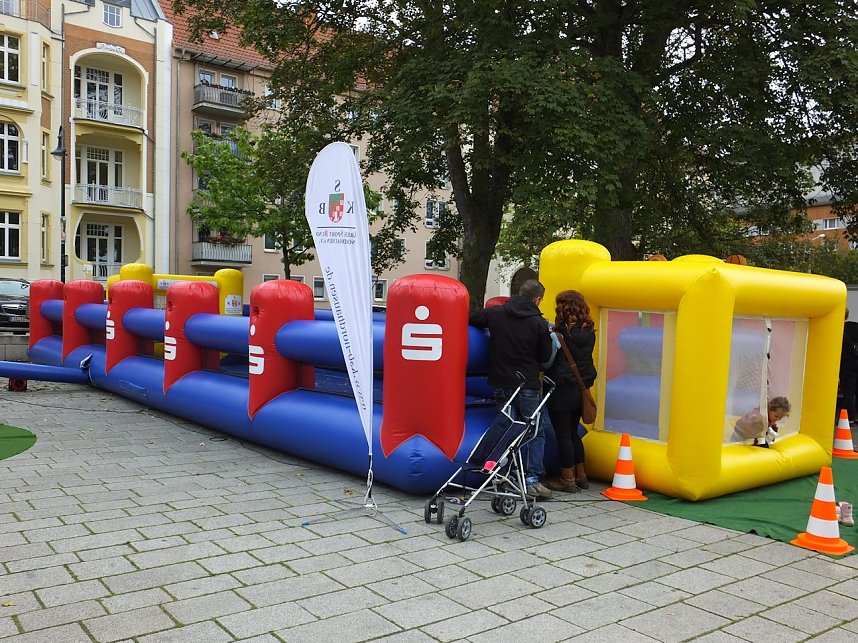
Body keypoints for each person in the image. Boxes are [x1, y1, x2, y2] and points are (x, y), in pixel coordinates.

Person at [470, 279, 554, 499]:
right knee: (535, 431)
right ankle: (532, 480)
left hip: (501, 383)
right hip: (527, 386)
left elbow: (473, 318)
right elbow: (545, 357)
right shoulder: (538, 323)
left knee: (505, 429)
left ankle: (501, 474)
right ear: (537, 299)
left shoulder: (496, 313)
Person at [543, 290, 597, 493]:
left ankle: (567, 479)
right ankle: (581, 476)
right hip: (581, 388)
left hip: (562, 388)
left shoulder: (558, 334)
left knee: (563, 435)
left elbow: (547, 360)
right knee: (573, 432)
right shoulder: (588, 331)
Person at [839, 308, 858, 425]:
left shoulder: (838, 329)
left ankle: (850, 417)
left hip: (847, 364)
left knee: (848, 391)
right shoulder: (855, 326)